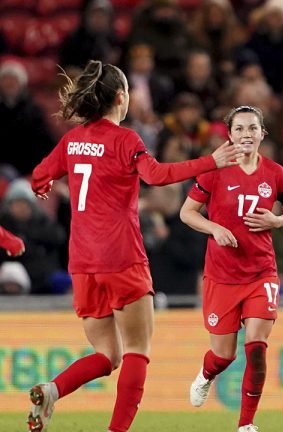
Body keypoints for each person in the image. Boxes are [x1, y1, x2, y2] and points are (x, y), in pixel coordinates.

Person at [27, 59, 241, 432]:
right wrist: (212, 161)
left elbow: (39, 176)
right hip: (121, 256)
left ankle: (54, 389)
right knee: (136, 351)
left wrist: (43, 185)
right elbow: (156, 176)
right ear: (122, 97)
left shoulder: (72, 140)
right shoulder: (126, 139)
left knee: (107, 356)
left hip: (82, 262)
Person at [180, 105, 283, 432]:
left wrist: (276, 220)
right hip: (222, 275)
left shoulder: (276, 173)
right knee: (224, 356)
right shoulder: (215, 170)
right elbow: (187, 212)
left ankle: (246, 424)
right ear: (230, 135)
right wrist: (214, 228)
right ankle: (206, 374)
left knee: (257, 346)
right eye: (239, 129)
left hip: (261, 272)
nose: (246, 134)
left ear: (263, 133)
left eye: (252, 128)